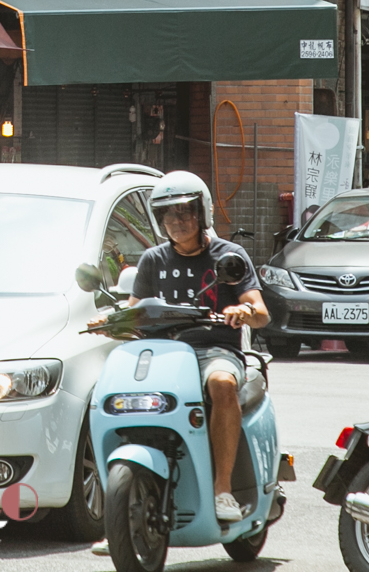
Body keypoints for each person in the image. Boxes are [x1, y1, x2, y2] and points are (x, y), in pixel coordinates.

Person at [130, 172, 269, 524]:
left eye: (185, 213)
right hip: (162, 354)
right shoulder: (152, 260)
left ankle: (222, 490)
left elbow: (261, 313)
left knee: (221, 384)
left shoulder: (229, 256)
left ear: (202, 213)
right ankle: (126, 503)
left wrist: (243, 310)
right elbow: (133, 314)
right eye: (169, 215)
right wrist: (109, 325)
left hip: (214, 350)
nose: (177, 222)